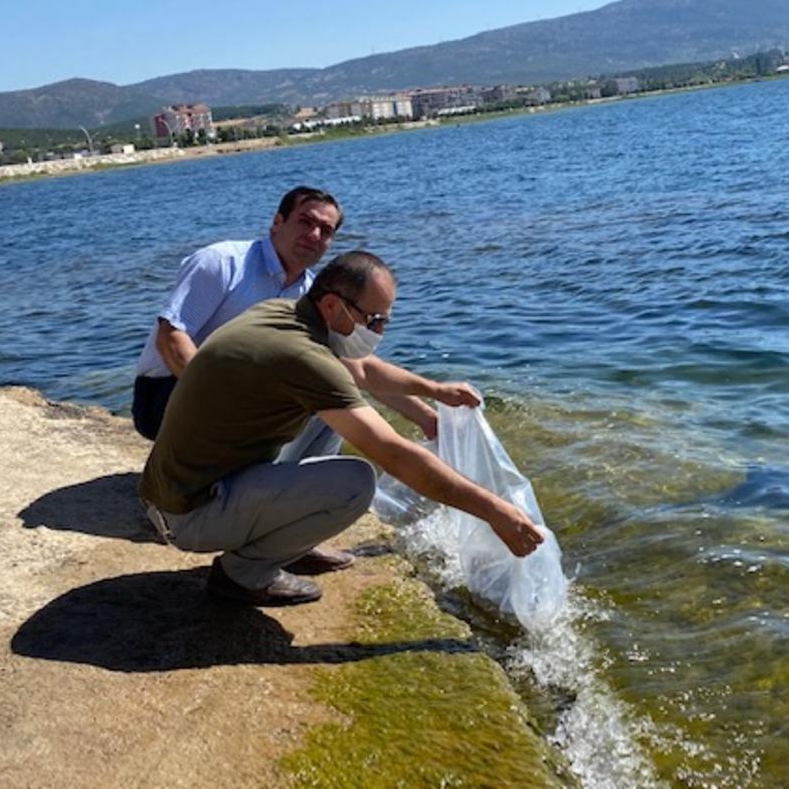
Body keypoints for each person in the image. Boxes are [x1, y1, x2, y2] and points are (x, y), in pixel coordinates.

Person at [138, 251, 544, 606]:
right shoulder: (303, 357)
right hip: (188, 514)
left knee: (331, 410)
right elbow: (395, 454)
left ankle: (284, 541)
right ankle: (242, 575)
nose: (380, 332)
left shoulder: (283, 314)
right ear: (333, 305)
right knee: (355, 482)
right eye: (376, 320)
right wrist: (494, 510)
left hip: (179, 489)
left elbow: (362, 370)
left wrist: (433, 390)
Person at [132, 186, 344, 440]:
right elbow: (170, 339)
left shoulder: (310, 294)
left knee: (332, 402)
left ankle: (299, 475)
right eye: (305, 222)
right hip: (168, 390)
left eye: (326, 230)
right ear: (277, 223)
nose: (314, 234)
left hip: (244, 392)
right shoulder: (221, 262)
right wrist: (229, 401)